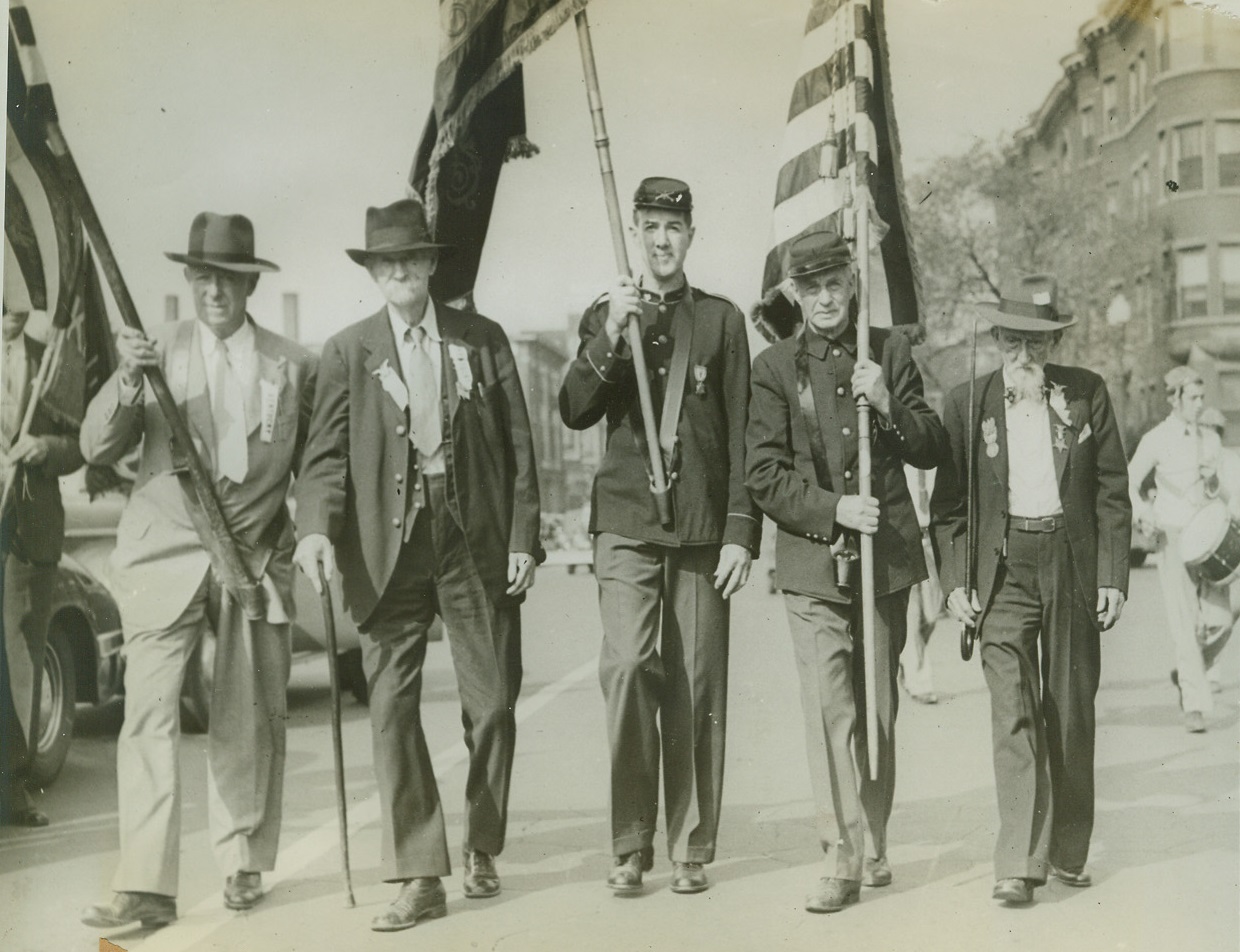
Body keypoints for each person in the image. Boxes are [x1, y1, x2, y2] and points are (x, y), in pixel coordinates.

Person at [292, 198, 540, 932]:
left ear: (431, 264)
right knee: (393, 711)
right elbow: (324, 458)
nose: (398, 271)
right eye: (383, 261)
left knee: (492, 704)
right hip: (383, 551)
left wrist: (524, 536)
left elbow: (520, 448)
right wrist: (313, 531)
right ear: (373, 273)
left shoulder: (481, 338)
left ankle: (482, 844)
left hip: (471, 540)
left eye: (410, 258)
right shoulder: (347, 351)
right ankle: (420, 873)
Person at [80, 213, 316, 929]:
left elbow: (315, 466)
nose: (214, 290)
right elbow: (96, 443)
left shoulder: (292, 364)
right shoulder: (156, 353)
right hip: (165, 556)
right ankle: (146, 885)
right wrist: (127, 378)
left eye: (228, 279)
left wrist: (311, 537)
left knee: (246, 718)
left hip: (251, 560)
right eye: (202, 277)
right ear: (191, 282)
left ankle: (244, 861)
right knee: (147, 717)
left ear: (250, 284)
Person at [559, 177, 760, 896]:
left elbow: (743, 433)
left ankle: (690, 844)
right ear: (635, 234)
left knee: (697, 684)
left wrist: (742, 532)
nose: (662, 240)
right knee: (627, 668)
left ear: (692, 235)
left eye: (674, 227)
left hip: (704, 530)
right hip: (627, 524)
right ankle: (629, 841)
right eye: (649, 227)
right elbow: (574, 409)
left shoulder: (722, 321)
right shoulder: (607, 313)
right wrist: (613, 332)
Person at [746, 230, 947, 914]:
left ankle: (874, 834)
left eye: (836, 285)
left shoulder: (888, 351)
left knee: (878, 712)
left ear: (853, 285)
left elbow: (931, 449)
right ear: (794, 295)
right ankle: (842, 853)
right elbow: (764, 476)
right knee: (831, 712)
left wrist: (888, 401)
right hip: (813, 568)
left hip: (885, 565)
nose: (826, 299)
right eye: (812, 289)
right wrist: (835, 509)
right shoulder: (773, 367)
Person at [931, 274, 1130, 906]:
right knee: (1010, 708)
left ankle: (1067, 850)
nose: (1025, 357)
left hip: (1070, 563)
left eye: (1038, 345)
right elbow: (949, 509)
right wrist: (956, 582)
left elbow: (1111, 490)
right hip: (1002, 568)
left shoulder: (1087, 393)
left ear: (1054, 346)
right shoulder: (966, 405)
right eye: (1014, 342)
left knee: (1069, 708)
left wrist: (1111, 575)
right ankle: (1017, 860)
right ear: (995, 339)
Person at [0, 303, 85, 828]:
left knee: (21, 658)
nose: (10, 309)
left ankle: (13, 786)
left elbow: (82, 446)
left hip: (27, 531)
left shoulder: (53, 363)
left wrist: (45, 446)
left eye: (17, 299)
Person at [1127, 369, 1233, 732]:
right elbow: (1128, 480)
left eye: (1203, 398)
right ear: (1173, 399)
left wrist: (1215, 479)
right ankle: (1194, 704)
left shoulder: (1211, 440)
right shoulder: (1155, 439)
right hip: (1171, 538)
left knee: (1221, 622)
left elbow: (1224, 494)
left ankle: (1187, 672)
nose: (1201, 405)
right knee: (1185, 625)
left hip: (1208, 539)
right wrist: (1143, 513)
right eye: (1193, 398)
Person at [900, 464, 942, 704]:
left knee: (931, 615)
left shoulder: (934, 467)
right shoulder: (899, 466)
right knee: (912, 615)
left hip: (930, 541)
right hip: (906, 541)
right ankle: (919, 681)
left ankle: (905, 661)